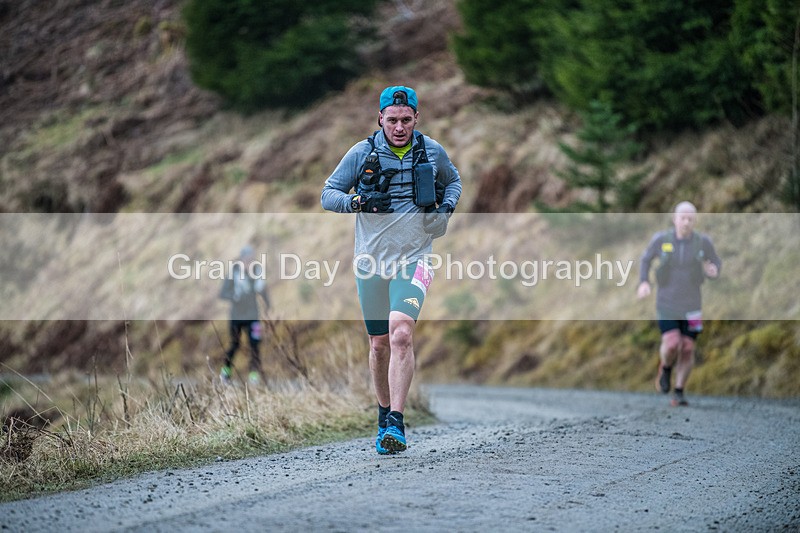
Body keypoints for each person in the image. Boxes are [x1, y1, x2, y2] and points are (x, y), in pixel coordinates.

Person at [321, 85, 462, 454]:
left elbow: (455, 181)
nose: (399, 127)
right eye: (392, 119)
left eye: (406, 119)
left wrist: (445, 209)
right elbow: (328, 194)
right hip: (370, 262)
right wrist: (357, 201)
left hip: (416, 258)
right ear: (380, 118)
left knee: (401, 335)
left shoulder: (431, 151)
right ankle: (383, 413)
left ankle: (397, 424)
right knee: (379, 344)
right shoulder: (361, 153)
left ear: (417, 118)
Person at [637, 201, 721, 406]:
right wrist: (644, 282)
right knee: (673, 343)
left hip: (693, 306)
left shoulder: (703, 242)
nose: (686, 222)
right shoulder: (661, 240)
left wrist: (714, 271)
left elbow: (715, 262)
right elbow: (645, 260)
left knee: (688, 348)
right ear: (674, 219)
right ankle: (665, 368)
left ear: (695, 221)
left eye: (690, 219)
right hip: (666, 303)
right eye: (682, 218)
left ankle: (679, 391)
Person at [219, 245, 271, 386]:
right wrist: (234, 296)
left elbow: (263, 290)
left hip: (253, 315)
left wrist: (268, 306)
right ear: (241, 259)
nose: (249, 262)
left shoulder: (257, 271)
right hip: (236, 316)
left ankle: (254, 376)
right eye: (247, 259)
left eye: (251, 259)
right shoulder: (234, 272)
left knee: (255, 345)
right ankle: (225, 372)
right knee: (235, 344)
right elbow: (222, 293)